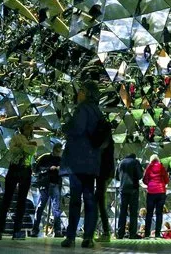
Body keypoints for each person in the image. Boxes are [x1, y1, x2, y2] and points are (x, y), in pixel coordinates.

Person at [59, 80, 103, 248]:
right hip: (91, 162)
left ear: (88, 93)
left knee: (76, 199)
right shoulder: (97, 111)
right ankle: (88, 237)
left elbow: (77, 129)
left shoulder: (83, 109)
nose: (79, 94)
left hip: (78, 161)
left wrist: (66, 125)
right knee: (90, 199)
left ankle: (70, 236)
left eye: (82, 91)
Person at [0, 120, 37, 240]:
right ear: (22, 128)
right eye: (27, 126)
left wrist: (22, 146)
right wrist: (27, 146)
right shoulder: (17, 137)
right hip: (15, 169)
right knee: (7, 199)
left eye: (30, 127)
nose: (29, 129)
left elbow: (31, 151)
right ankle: (0, 231)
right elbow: (13, 150)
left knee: (21, 201)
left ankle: (16, 231)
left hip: (25, 170)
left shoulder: (29, 141)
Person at [30, 142, 63, 237]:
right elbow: (36, 169)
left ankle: (55, 230)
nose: (58, 152)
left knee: (47, 207)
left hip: (52, 184)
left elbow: (36, 169)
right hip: (48, 184)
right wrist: (50, 168)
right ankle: (56, 230)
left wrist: (58, 169)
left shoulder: (56, 159)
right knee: (45, 207)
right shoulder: (46, 158)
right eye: (58, 150)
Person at [116, 153, 143, 239]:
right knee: (133, 213)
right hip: (133, 190)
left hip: (123, 189)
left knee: (122, 212)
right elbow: (140, 175)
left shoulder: (121, 162)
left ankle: (120, 233)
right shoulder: (135, 162)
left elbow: (116, 177)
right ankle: (132, 234)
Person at [143, 154, 170, 238]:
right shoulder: (162, 167)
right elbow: (166, 179)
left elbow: (144, 179)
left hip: (151, 192)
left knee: (149, 213)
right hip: (161, 192)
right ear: (158, 160)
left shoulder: (149, 167)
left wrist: (150, 184)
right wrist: (161, 184)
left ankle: (147, 233)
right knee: (159, 213)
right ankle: (157, 233)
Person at [95, 131, 115, 242]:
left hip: (102, 174)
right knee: (99, 202)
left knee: (100, 202)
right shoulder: (109, 144)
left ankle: (105, 232)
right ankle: (99, 231)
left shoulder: (105, 144)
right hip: (104, 174)